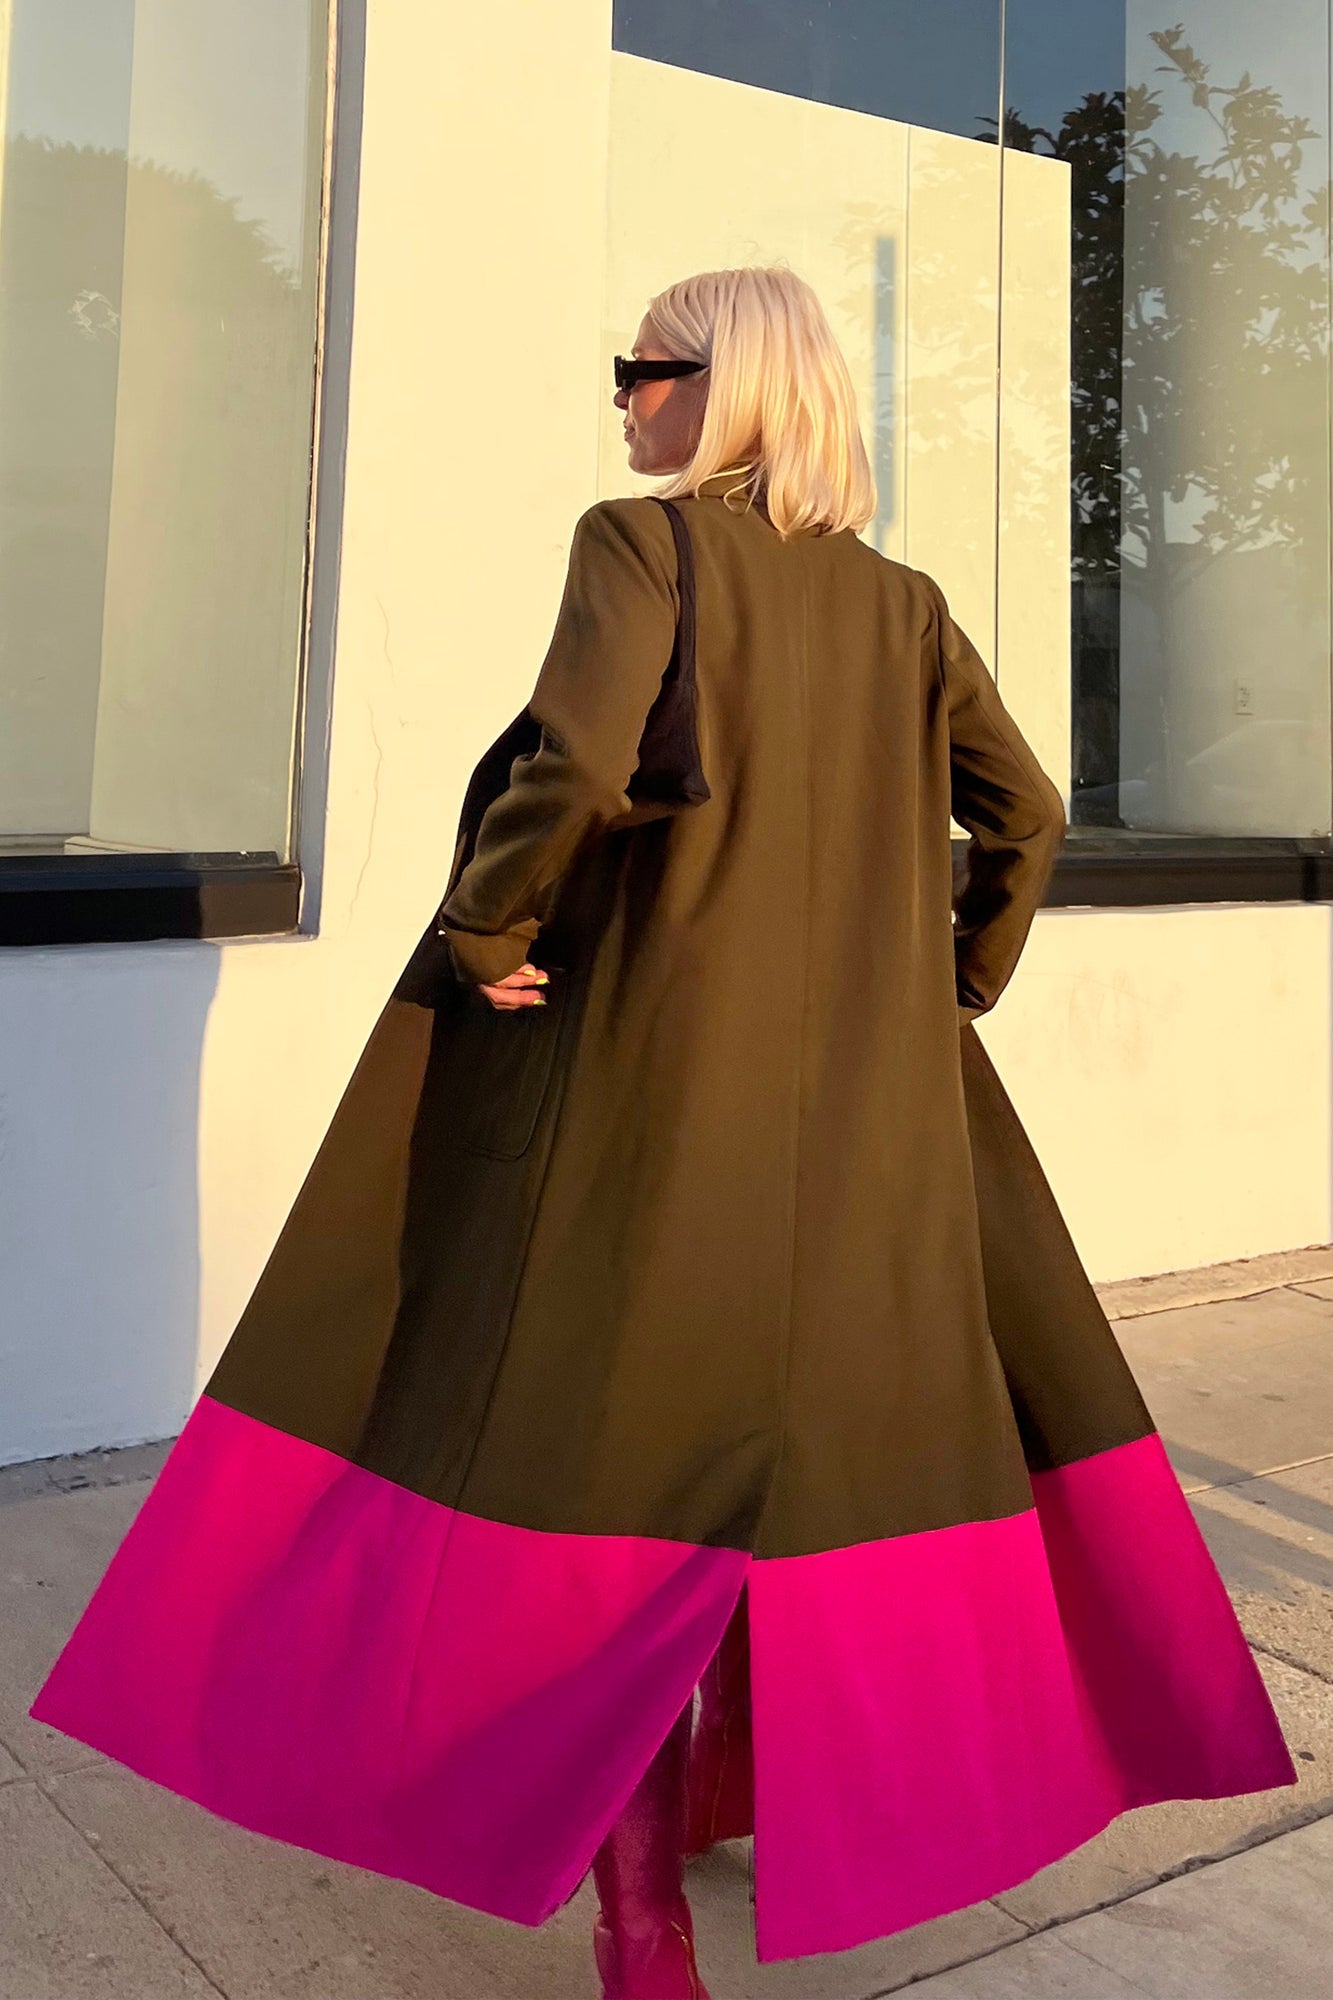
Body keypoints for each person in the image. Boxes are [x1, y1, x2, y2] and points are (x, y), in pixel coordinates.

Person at [31, 266, 1296, 2000]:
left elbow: (571, 760)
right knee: (807, 1468)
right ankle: (737, 1809)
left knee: (602, 1498)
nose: (621, 393)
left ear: (731, 384)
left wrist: (485, 931)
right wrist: (954, 981)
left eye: (645, 365)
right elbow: (1029, 812)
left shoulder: (642, 548)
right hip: (863, 1137)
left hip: (647, 1102)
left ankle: (641, 1926)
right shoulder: (903, 605)